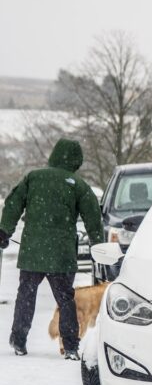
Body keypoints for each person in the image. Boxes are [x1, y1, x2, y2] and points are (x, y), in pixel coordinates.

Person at [0, 138, 103, 359]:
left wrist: (4, 231)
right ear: (77, 160)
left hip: (33, 251)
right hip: (62, 254)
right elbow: (93, 218)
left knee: (26, 295)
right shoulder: (78, 185)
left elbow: (13, 203)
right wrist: (98, 245)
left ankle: (18, 339)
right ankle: (72, 346)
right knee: (66, 301)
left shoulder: (33, 177)